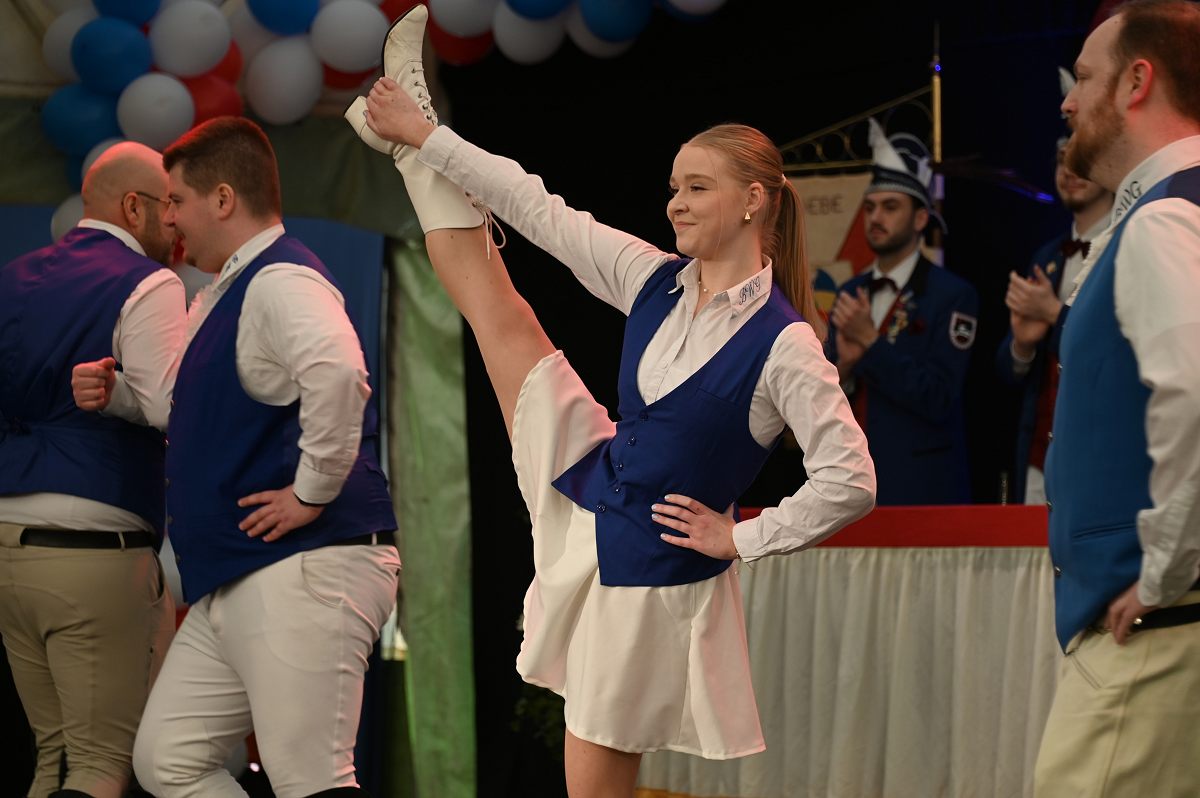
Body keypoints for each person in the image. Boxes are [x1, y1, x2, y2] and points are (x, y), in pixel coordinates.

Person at [345, 7, 875, 797]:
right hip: (591, 481)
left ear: (754, 201)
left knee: (593, 782)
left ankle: (412, 144)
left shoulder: (786, 344)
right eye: (674, 188)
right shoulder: (655, 278)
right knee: (498, 311)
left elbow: (852, 479)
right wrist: (431, 138)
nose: (676, 203)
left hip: (650, 576)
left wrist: (741, 538)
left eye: (697, 188)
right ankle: (410, 148)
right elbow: (536, 208)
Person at [74, 118, 400, 798]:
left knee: (311, 779)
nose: (167, 218)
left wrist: (311, 492)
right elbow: (190, 408)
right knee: (168, 760)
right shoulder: (225, 291)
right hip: (239, 574)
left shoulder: (281, 280)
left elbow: (339, 373)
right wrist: (119, 396)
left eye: (176, 200)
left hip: (303, 567)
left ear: (223, 199)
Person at [1034, 1, 1200, 795]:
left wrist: (1165, 575)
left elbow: (1195, 400)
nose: (1069, 101)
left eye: (1086, 77)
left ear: (1137, 81)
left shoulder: (1164, 220)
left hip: (1158, 635)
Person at [0, 142, 181, 798]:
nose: (177, 223)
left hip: (7, 544)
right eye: (169, 206)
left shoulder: (11, 277)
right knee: (101, 765)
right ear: (134, 207)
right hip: (95, 547)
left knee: (51, 758)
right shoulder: (149, 282)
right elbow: (169, 405)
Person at [824, 121, 978, 505]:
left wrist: (871, 343)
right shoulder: (850, 291)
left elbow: (939, 397)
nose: (876, 217)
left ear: (921, 218)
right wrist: (845, 369)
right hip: (850, 484)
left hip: (921, 487)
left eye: (890, 207)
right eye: (870, 207)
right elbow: (824, 400)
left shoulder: (953, 295)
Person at [996, 138, 1112, 505]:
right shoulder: (1046, 256)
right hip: (1040, 453)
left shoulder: (1124, 246)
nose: (1070, 171)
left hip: (1102, 448)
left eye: (1080, 159)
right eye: (1062, 161)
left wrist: (1054, 314)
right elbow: (1007, 372)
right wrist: (1022, 344)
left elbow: (1114, 347)